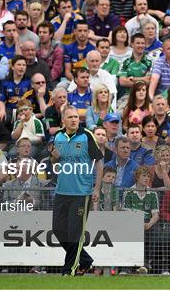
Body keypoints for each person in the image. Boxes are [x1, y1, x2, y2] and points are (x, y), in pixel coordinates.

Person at [51, 105, 104, 276]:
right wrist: (54, 158)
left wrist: (97, 188)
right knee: (58, 230)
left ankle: (69, 270)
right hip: (61, 191)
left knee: (75, 234)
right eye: (70, 117)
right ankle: (86, 260)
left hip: (81, 193)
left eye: (76, 117)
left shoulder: (87, 135)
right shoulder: (58, 136)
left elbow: (99, 162)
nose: (74, 119)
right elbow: (54, 163)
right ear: (63, 120)